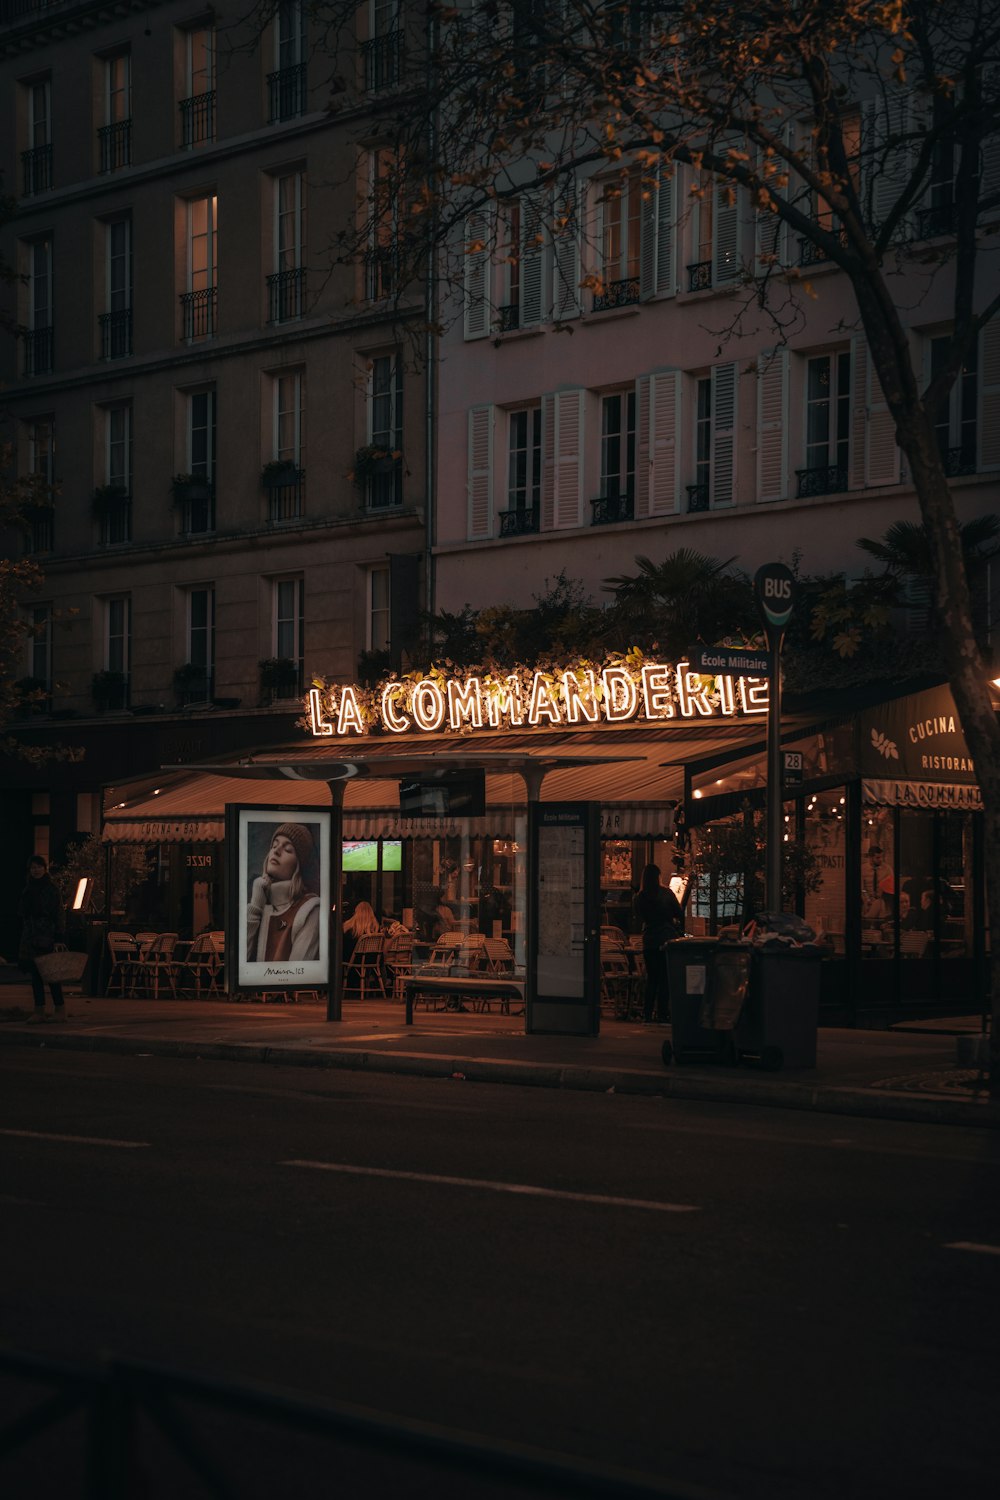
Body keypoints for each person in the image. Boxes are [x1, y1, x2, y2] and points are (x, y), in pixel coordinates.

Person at [246, 823, 321, 962]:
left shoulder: (310, 911)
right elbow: (239, 967)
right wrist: (255, 906)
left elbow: (299, 973)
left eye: (288, 849)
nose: (276, 851)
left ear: (299, 865)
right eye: (274, 846)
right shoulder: (261, 903)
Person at [18, 855, 68, 1022]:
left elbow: (59, 913)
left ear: (45, 869)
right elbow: (24, 914)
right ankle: (39, 1010)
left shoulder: (51, 889)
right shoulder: (28, 889)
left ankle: (59, 1010)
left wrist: (59, 937)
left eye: (39, 867)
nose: (36, 870)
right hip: (31, 936)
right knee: (36, 975)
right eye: (33, 867)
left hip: (47, 935)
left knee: (51, 974)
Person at [633, 863, 684, 1024]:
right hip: (665, 938)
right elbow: (679, 913)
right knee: (664, 979)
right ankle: (662, 1013)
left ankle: (647, 1013)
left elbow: (638, 916)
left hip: (649, 940)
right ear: (658, 877)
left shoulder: (639, 897)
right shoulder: (666, 893)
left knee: (652, 978)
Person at [862, 844, 895, 922]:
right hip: (867, 901)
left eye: (881, 857)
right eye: (877, 857)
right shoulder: (863, 869)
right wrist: (867, 900)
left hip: (883, 901)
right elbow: (862, 889)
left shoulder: (887, 869)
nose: (880, 859)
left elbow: (891, 888)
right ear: (870, 858)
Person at [342, 899, 381, 964]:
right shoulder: (375, 929)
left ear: (356, 912)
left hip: (354, 961)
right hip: (372, 961)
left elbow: (345, 949)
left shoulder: (351, 930)